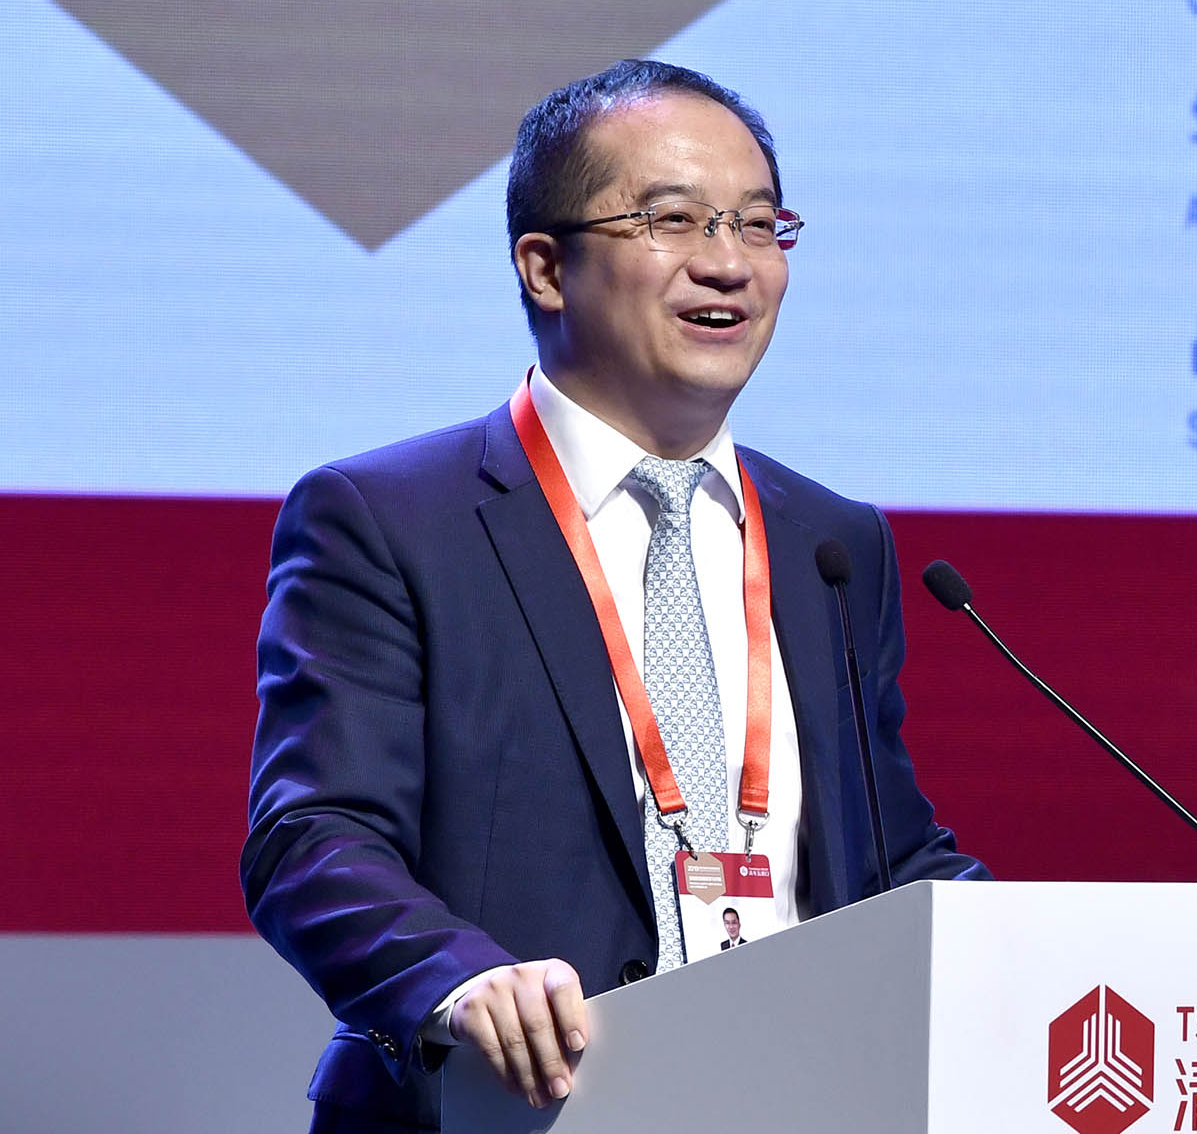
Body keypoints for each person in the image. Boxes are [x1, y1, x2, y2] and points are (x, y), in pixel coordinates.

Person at [242, 59, 989, 1133]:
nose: (727, 262)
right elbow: (313, 838)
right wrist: (458, 981)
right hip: (510, 1111)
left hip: (800, 1101)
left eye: (758, 225)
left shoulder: (835, 543)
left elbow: (889, 856)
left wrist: (1045, 951)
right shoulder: (389, 520)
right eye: (672, 220)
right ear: (546, 268)